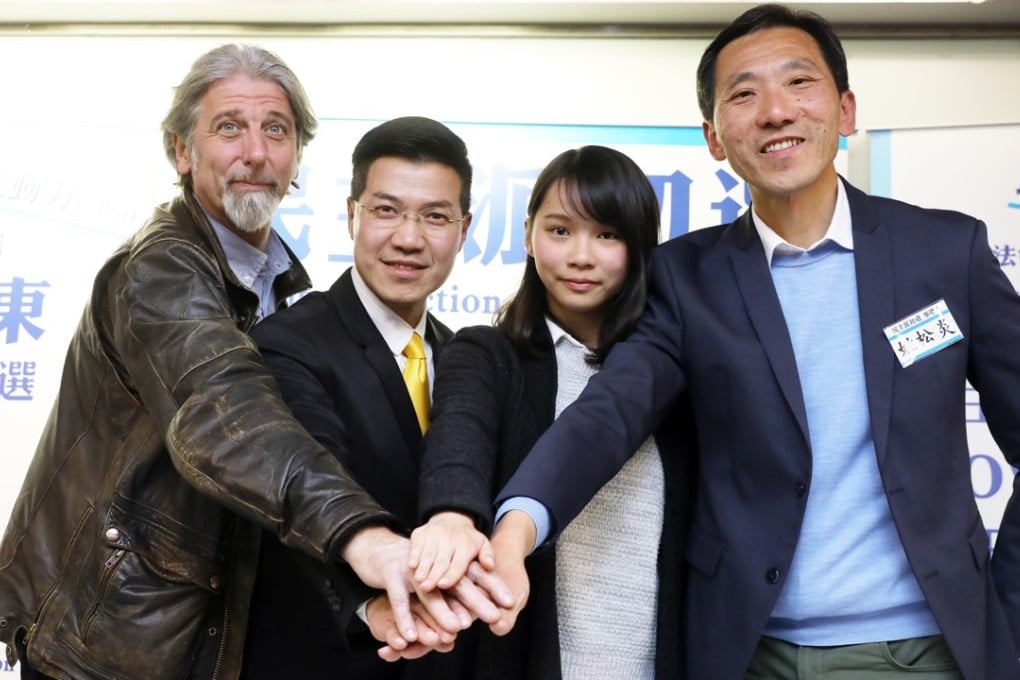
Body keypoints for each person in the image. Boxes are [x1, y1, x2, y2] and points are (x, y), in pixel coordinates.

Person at [491, 5, 1020, 679]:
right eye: (743, 93)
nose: (774, 111)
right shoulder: (687, 278)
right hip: (748, 651)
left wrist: (1005, 610)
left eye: (799, 83)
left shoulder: (945, 253)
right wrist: (518, 526)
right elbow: (610, 412)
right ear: (715, 137)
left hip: (928, 649)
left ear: (845, 109)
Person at [0, 46, 466, 680]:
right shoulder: (161, 268)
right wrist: (364, 538)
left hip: (193, 622)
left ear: (297, 157)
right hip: (108, 630)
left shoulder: (278, 282)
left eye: (276, 130)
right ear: (181, 151)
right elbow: (226, 413)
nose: (255, 152)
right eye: (229, 127)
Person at [408, 145, 696, 679]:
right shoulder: (486, 355)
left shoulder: (670, 377)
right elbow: (458, 443)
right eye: (560, 230)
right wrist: (450, 516)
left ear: (640, 247)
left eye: (607, 235)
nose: (580, 255)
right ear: (527, 235)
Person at [240, 116, 508, 679]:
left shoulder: (464, 356)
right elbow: (310, 484)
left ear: (464, 230)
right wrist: (369, 604)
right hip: (327, 659)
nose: (409, 238)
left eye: (435, 217)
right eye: (386, 210)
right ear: (351, 215)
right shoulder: (287, 344)